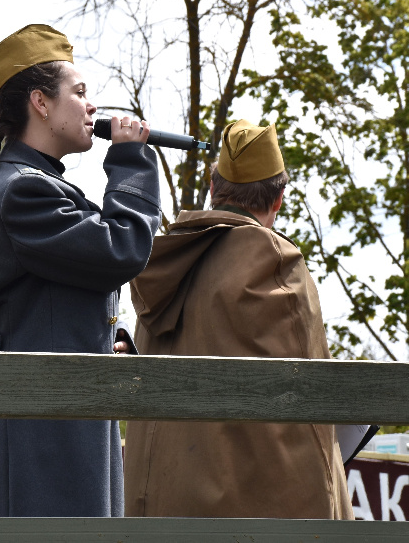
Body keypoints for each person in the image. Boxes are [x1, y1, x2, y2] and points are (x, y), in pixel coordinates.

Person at [0, 24, 162, 517]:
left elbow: (72, 286)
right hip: (39, 434)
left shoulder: (37, 186)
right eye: (81, 93)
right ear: (41, 103)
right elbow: (121, 248)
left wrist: (112, 333)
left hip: (59, 421)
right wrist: (130, 161)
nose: (93, 107)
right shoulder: (25, 192)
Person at [123, 119, 353, 519]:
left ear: (214, 189)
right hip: (244, 515)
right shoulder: (276, 261)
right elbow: (313, 407)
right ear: (278, 199)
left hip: (157, 508)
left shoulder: (163, 260)